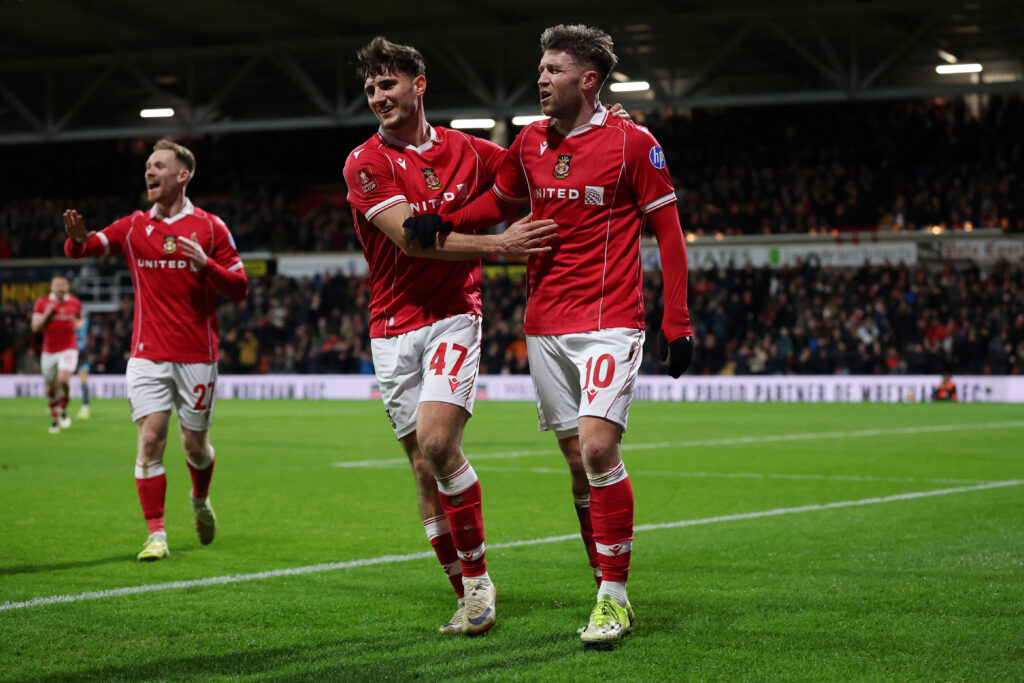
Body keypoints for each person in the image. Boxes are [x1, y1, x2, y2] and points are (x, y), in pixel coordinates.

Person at [415, 24, 694, 648]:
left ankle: (614, 598)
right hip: (544, 325)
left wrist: (678, 323)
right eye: (540, 69)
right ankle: (602, 574)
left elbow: (670, 235)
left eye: (553, 70)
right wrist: (443, 221)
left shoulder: (633, 143)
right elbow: (497, 203)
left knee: (598, 450)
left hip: (610, 321)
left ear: (588, 80)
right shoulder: (531, 142)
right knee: (576, 463)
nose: (540, 79)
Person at [343, 36, 562, 637]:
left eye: (387, 84)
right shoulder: (364, 162)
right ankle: (465, 589)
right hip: (391, 326)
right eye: (369, 89)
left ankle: (478, 581)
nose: (377, 97)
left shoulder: (469, 150)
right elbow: (411, 238)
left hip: (452, 314)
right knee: (421, 467)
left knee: (438, 445)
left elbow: (534, 162)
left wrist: (601, 123)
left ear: (418, 84)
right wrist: (500, 244)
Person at [62, 139, 249, 562]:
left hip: (198, 355)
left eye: (159, 165)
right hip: (147, 354)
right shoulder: (132, 227)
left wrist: (206, 265)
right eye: (148, 165)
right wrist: (75, 241)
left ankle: (200, 499)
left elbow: (240, 288)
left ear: (182, 175)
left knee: (195, 447)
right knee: (149, 440)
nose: (150, 171)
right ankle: (157, 534)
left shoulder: (211, 228)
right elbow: (84, 248)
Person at [31, 275, 83, 433]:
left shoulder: (75, 302)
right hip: (49, 351)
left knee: (63, 379)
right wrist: (47, 314)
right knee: (51, 387)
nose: (60, 287)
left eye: (63, 284)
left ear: (67, 286)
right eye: (57, 285)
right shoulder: (42, 303)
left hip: (68, 348)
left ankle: (64, 406)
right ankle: (55, 417)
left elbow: (80, 319)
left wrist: (79, 325)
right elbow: (35, 328)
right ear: (51, 287)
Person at [75, 308, 92, 419]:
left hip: (81, 350)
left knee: (83, 380)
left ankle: (85, 408)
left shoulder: (82, 320)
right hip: (74, 349)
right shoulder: (81, 319)